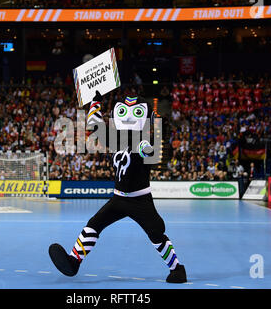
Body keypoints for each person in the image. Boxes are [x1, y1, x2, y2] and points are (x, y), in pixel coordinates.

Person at [49, 91, 187, 283]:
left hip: (139, 199)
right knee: (94, 224)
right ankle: (73, 261)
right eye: (123, 112)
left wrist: (154, 131)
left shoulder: (142, 141)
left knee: (155, 232)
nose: (129, 118)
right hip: (118, 198)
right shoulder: (114, 139)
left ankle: (177, 268)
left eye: (136, 114)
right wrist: (96, 101)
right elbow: (94, 125)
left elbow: (150, 151)